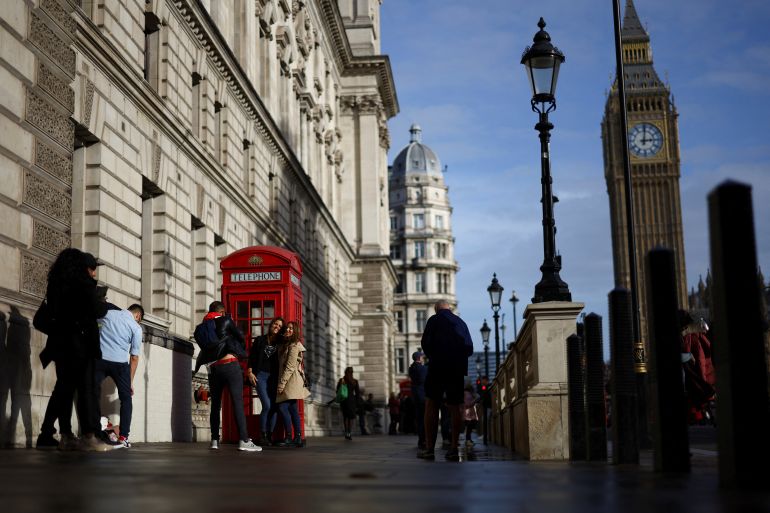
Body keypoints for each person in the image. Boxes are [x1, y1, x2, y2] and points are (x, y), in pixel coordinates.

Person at [34, 249, 113, 451]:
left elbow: (52, 315)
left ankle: (64, 434)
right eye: (91, 268)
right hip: (81, 345)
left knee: (65, 389)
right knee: (86, 389)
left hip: (61, 345)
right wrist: (101, 302)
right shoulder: (83, 285)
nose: (93, 272)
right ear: (80, 267)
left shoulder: (55, 285)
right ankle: (88, 436)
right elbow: (97, 310)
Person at [418, 299, 474, 462]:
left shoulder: (433, 320)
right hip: (456, 370)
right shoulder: (461, 323)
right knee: (455, 406)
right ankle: (454, 448)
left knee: (431, 404)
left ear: (436, 309)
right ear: (449, 309)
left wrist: (435, 355)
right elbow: (469, 348)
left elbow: (425, 343)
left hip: (437, 367)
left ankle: (430, 449)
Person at [202, 301, 261, 452]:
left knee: (215, 405)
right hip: (230, 365)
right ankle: (244, 440)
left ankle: (214, 440)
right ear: (222, 312)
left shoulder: (203, 326)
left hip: (213, 368)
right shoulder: (226, 320)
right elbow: (241, 337)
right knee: (237, 403)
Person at [93, 303, 144, 448]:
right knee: (126, 399)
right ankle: (123, 437)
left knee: (92, 393)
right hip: (120, 365)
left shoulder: (108, 313)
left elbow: (95, 327)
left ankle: (92, 432)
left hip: (100, 360)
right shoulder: (136, 327)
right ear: (138, 315)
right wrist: (130, 382)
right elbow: (134, 357)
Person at [246, 317, 284, 446]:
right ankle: (262, 434)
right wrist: (250, 372)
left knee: (274, 407)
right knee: (267, 405)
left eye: (279, 326)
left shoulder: (281, 343)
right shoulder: (260, 340)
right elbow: (252, 357)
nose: (276, 327)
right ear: (271, 325)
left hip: (274, 378)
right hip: (260, 376)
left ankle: (269, 435)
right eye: (275, 324)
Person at [275, 321, 309, 447]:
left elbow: (289, 367)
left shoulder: (294, 346)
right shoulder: (287, 344)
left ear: (295, 331)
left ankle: (289, 437)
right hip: (290, 380)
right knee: (293, 409)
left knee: (282, 407)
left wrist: (281, 384)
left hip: (291, 381)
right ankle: (298, 437)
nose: (288, 330)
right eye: (287, 328)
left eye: (291, 328)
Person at [408, 351, 427, 449]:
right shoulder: (423, 368)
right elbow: (424, 380)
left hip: (415, 395)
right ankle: (424, 439)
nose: (423, 359)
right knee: (424, 418)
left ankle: (421, 439)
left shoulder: (411, 368)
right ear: (419, 358)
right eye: (422, 357)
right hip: (422, 395)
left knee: (419, 418)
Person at [337, 367, 360, 440]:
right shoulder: (355, 381)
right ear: (352, 373)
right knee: (351, 418)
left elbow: (337, 390)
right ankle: (349, 433)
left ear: (345, 372)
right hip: (352, 401)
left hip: (344, 400)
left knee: (345, 417)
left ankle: (346, 432)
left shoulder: (342, 380)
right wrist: (357, 403)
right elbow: (357, 393)